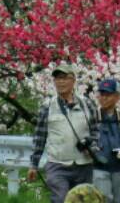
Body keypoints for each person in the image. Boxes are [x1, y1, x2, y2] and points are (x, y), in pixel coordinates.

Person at [28, 64, 100, 203]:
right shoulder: (47, 106)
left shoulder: (87, 104)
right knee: (61, 199)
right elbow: (39, 138)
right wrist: (33, 165)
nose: (60, 82)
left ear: (73, 81)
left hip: (84, 165)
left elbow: (97, 130)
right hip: (57, 165)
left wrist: (93, 146)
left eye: (64, 78)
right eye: (57, 79)